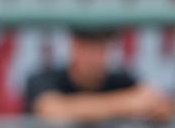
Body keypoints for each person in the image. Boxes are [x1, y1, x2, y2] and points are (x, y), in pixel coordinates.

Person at [25, 27, 173, 124]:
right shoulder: (44, 77)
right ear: (73, 47)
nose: (94, 57)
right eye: (87, 48)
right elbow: (51, 109)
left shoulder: (122, 80)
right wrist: (126, 103)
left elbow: (157, 103)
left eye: (100, 48)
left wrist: (158, 108)